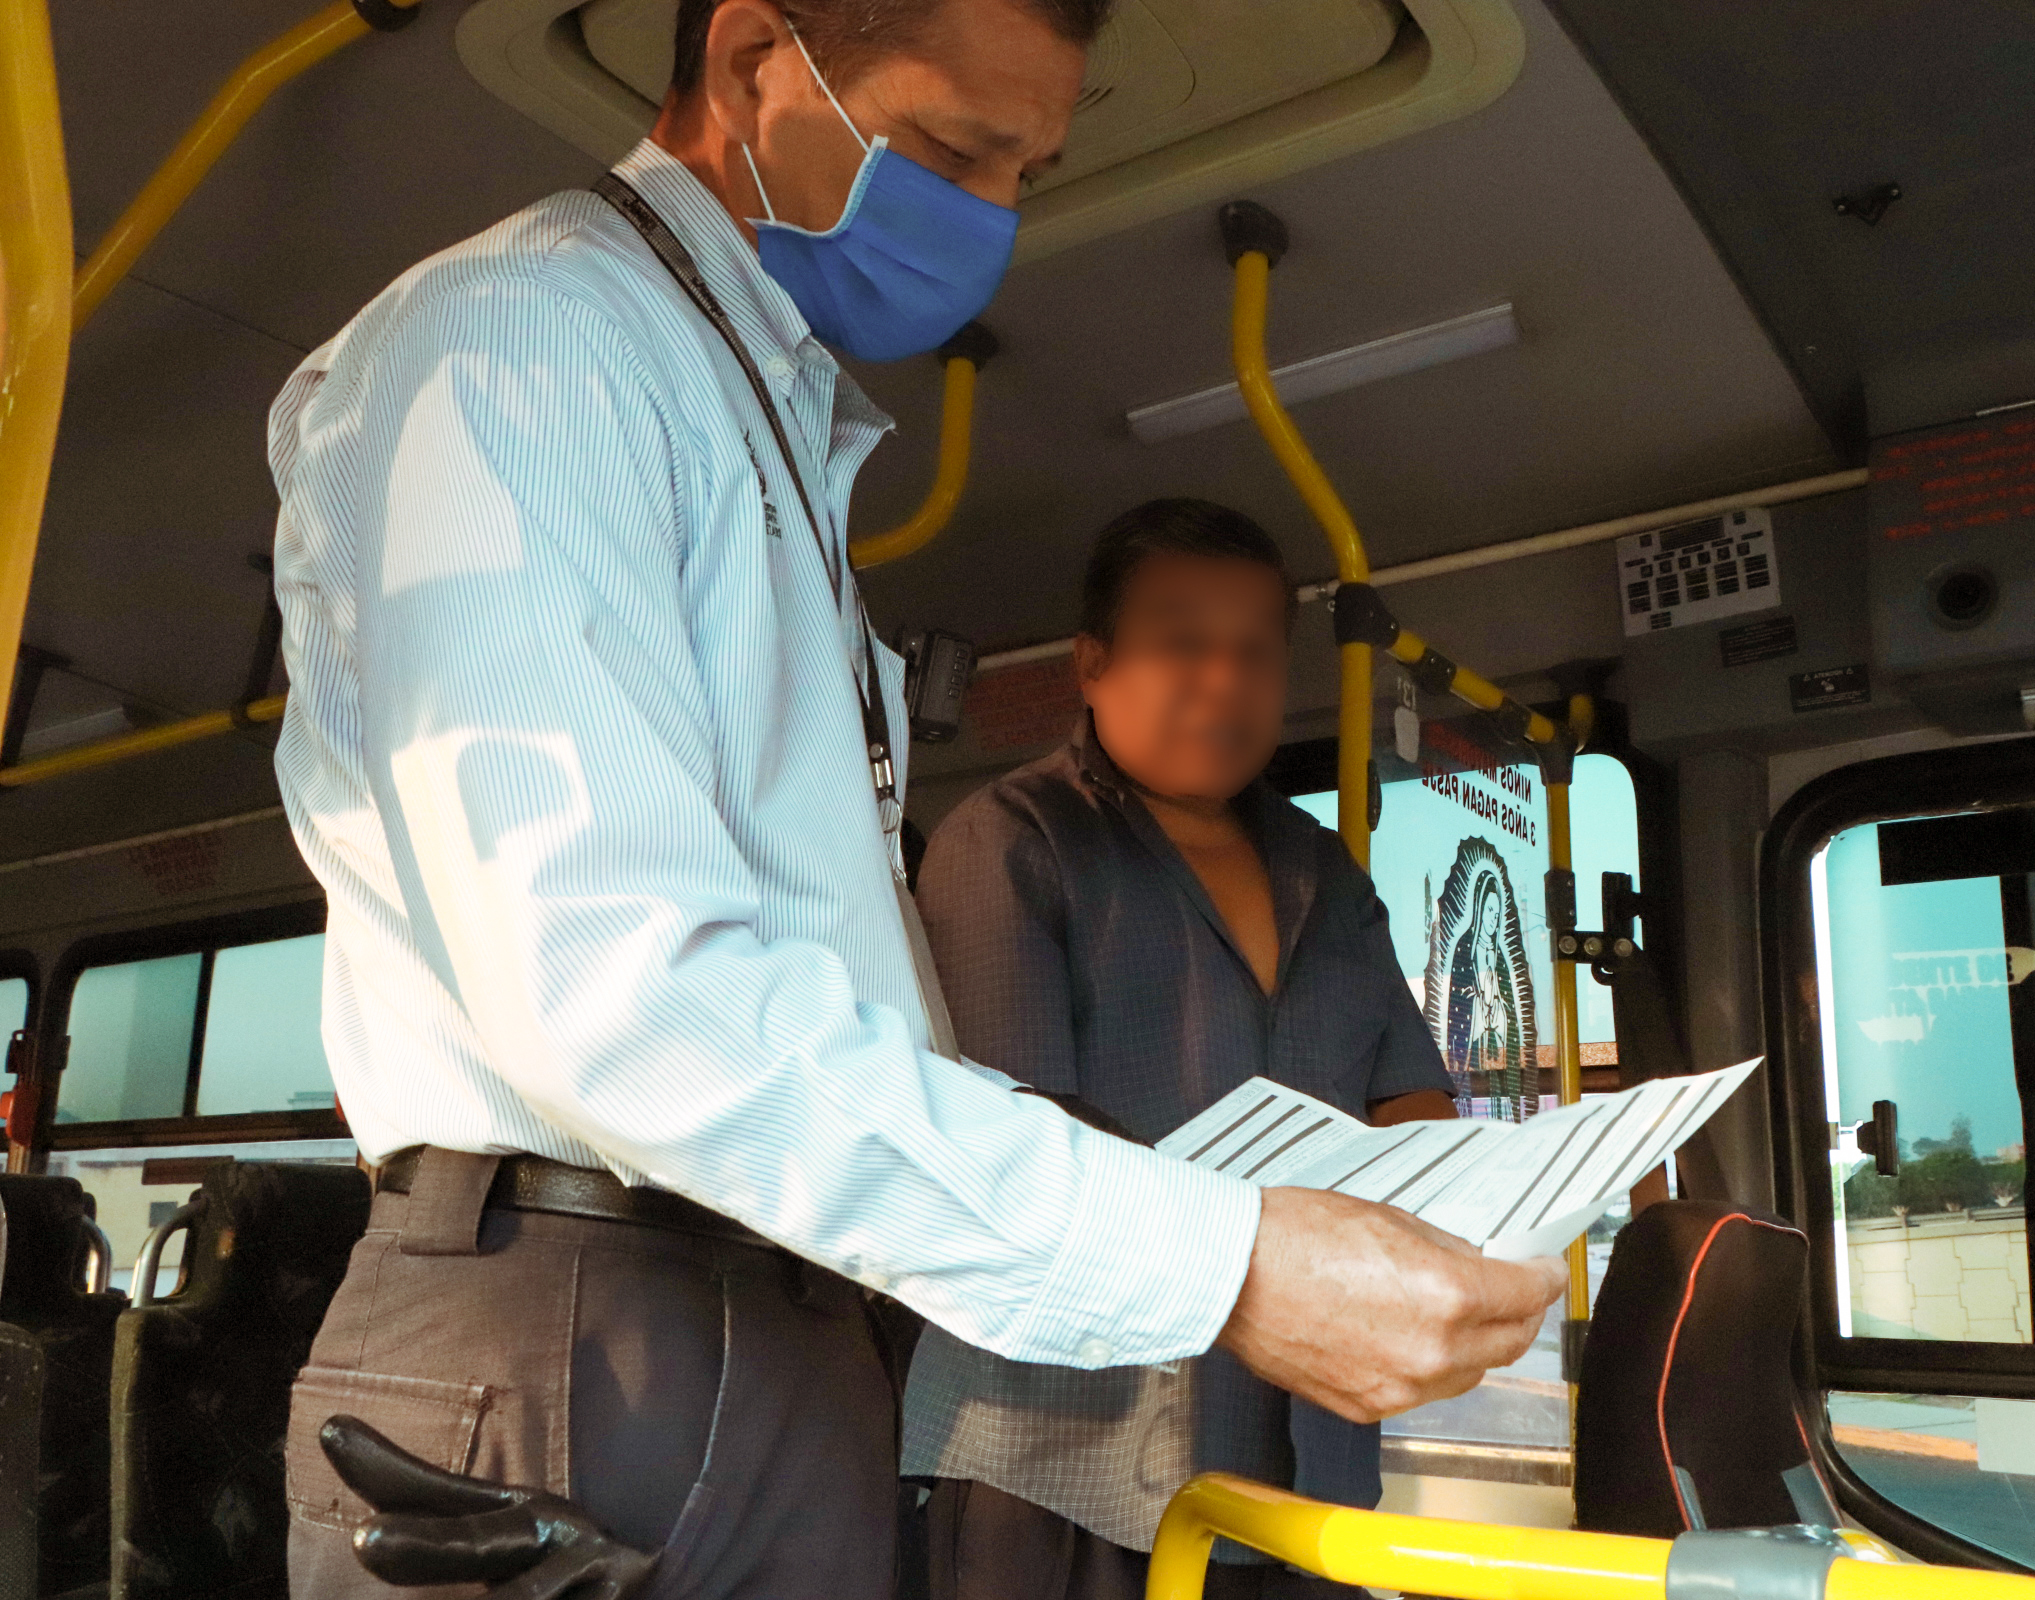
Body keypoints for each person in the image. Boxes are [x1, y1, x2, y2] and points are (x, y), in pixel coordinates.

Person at [266, 0, 1564, 1591]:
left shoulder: (756, 410)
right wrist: (1225, 1259)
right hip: (581, 1304)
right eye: (957, 151)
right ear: (755, 62)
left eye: (1028, 171)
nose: (996, 219)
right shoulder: (527, 342)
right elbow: (613, 992)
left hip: (790, 1293)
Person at [904, 500, 1461, 1600]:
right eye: (1183, 643)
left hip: (1310, 1467)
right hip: (1067, 1463)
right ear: (1094, 663)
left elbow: (1412, 1103)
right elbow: (1020, 1151)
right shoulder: (1009, 843)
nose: (1223, 679)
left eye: (1256, 651)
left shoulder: (1327, 871)